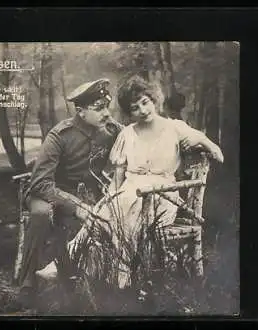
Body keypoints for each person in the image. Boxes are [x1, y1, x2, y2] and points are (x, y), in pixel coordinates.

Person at [37, 75, 224, 289]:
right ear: (129, 113)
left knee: (125, 211)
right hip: (128, 193)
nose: (143, 111)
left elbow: (203, 141)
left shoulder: (175, 128)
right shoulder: (126, 134)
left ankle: (117, 277)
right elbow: (118, 178)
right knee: (104, 213)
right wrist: (108, 201)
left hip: (161, 196)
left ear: (153, 100)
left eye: (145, 102)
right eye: (135, 108)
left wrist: (210, 146)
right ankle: (74, 264)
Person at [14, 78, 122, 309]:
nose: (107, 113)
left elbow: (138, 137)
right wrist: (75, 207)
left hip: (87, 196)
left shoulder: (111, 131)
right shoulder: (60, 135)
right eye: (99, 108)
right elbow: (40, 183)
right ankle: (28, 282)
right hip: (49, 193)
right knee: (42, 215)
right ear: (81, 111)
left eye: (107, 106)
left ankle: (96, 281)